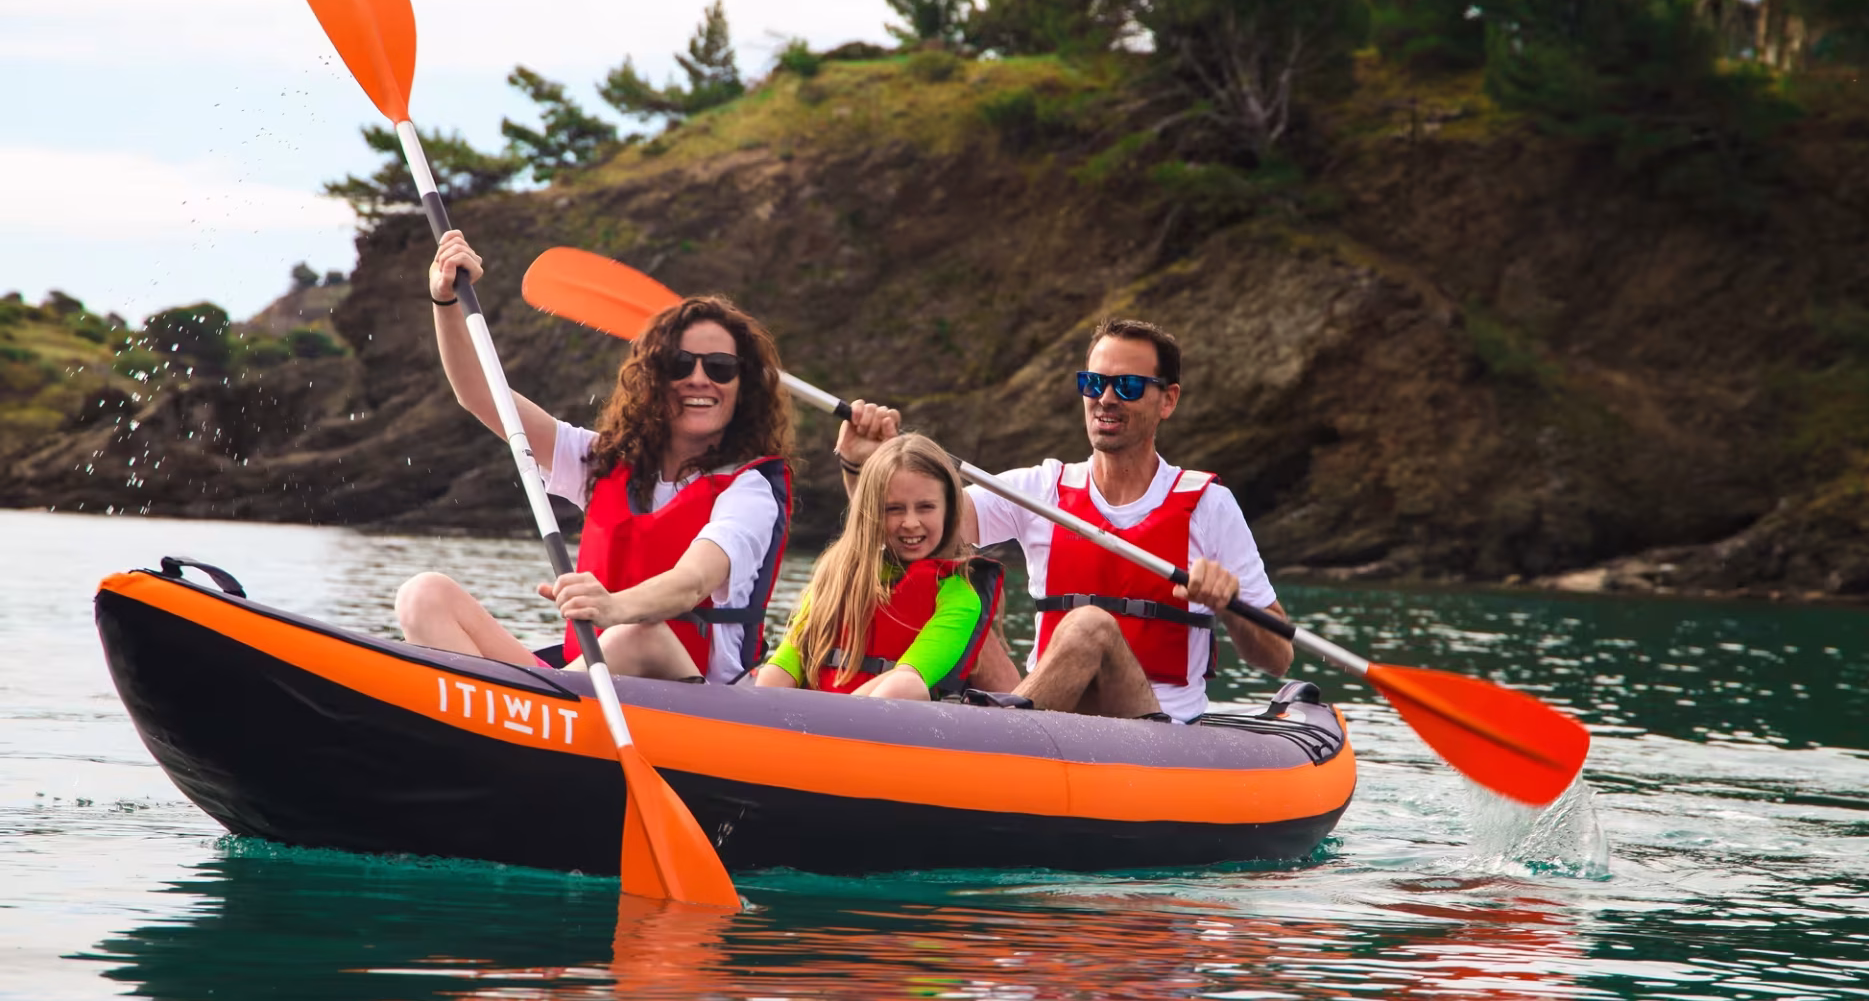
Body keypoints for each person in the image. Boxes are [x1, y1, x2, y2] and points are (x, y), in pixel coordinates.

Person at [834, 317, 1293, 722]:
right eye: (1093, 383)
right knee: (967, 614)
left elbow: (1277, 658)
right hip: (1054, 711)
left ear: (1167, 400)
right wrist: (859, 468)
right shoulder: (1041, 490)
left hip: (1155, 727)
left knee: (1088, 625)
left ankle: (994, 743)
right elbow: (909, 532)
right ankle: (862, 719)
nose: (1106, 398)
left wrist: (1230, 606)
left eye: (1128, 386)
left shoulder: (1209, 505)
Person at [395, 230, 794, 683]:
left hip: (697, 701)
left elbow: (695, 581)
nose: (699, 379)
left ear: (744, 388)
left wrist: (614, 607)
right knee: (423, 595)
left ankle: (532, 719)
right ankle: (506, 728)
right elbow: (481, 396)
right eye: (680, 365)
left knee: (634, 635)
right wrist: (446, 302)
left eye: (719, 368)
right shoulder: (601, 461)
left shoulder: (749, 489)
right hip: (589, 686)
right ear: (654, 379)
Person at [753, 434, 1002, 699]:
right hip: (813, 720)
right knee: (770, 674)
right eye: (894, 509)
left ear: (949, 510)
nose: (910, 522)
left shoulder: (960, 597)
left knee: (906, 684)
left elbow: (909, 677)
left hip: (885, 721)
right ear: (871, 512)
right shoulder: (835, 577)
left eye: (926, 507)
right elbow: (786, 663)